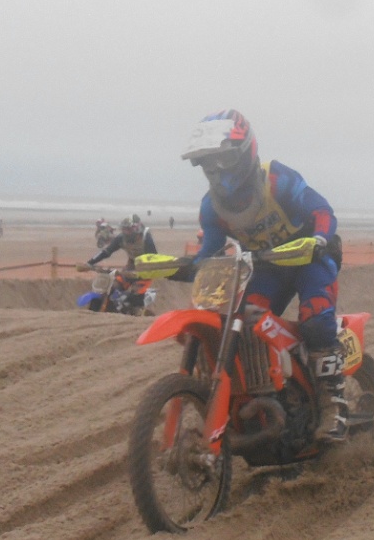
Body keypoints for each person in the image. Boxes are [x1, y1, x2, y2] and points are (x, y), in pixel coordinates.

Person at [182, 109, 349, 439]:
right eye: (206, 162)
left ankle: (334, 402)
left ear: (244, 153)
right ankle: (264, 395)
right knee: (244, 323)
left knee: (315, 317)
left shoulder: (277, 179)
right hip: (269, 269)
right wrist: (188, 265)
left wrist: (318, 239)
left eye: (221, 160)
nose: (214, 171)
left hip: (310, 260)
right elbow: (210, 251)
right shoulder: (211, 206)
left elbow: (322, 211)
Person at [86, 214, 157, 270]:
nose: (125, 232)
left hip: (147, 269)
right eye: (124, 229)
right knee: (115, 284)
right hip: (132, 265)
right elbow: (106, 252)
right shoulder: (121, 238)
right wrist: (89, 263)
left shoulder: (145, 237)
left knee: (136, 288)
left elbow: (154, 257)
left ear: (136, 228)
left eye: (128, 229)